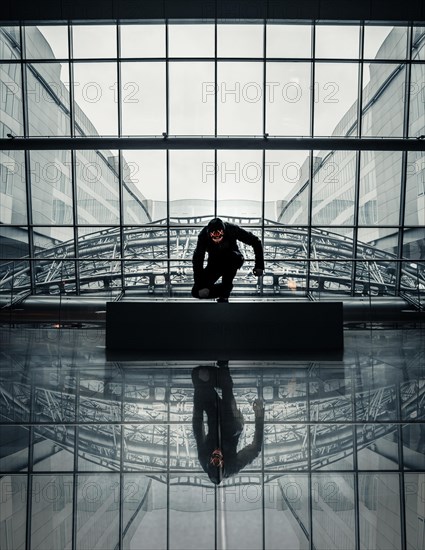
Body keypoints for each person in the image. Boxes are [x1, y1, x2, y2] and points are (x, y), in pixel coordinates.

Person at [191, 361, 265, 485]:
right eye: (219, 459)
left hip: (214, 421)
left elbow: (198, 427)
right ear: (223, 463)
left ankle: (214, 379)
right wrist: (259, 415)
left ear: (209, 462)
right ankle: (223, 371)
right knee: (229, 416)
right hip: (233, 426)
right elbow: (255, 448)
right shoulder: (231, 468)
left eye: (213, 458)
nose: (217, 454)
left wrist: (199, 392)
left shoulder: (203, 459)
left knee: (197, 376)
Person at [192, 218, 264, 302]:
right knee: (196, 292)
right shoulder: (203, 236)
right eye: (214, 238)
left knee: (232, 259)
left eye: (219, 237)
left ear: (224, 231)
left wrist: (259, 265)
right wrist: (201, 286)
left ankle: (225, 289)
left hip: (230, 260)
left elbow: (255, 241)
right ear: (209, 234)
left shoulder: (232, 229)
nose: (217, 240)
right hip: (216, 263)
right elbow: (198, 259)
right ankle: (225, 289)